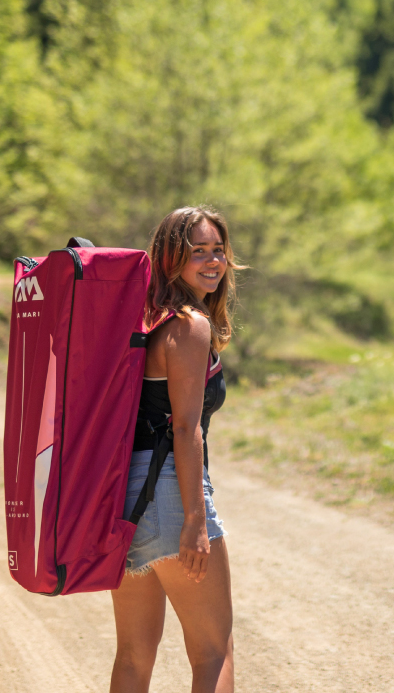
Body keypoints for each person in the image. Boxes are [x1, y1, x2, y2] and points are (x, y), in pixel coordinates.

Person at [110, 206, 238, 693]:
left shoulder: (145, 319)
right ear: (169, 259)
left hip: (127, 494)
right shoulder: (190, 325)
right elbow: (185, 429)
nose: (212, 261)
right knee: (214, 651)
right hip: (169, 492)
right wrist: (194, 521)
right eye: (196, 252)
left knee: (133, 655)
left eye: (217, 250)